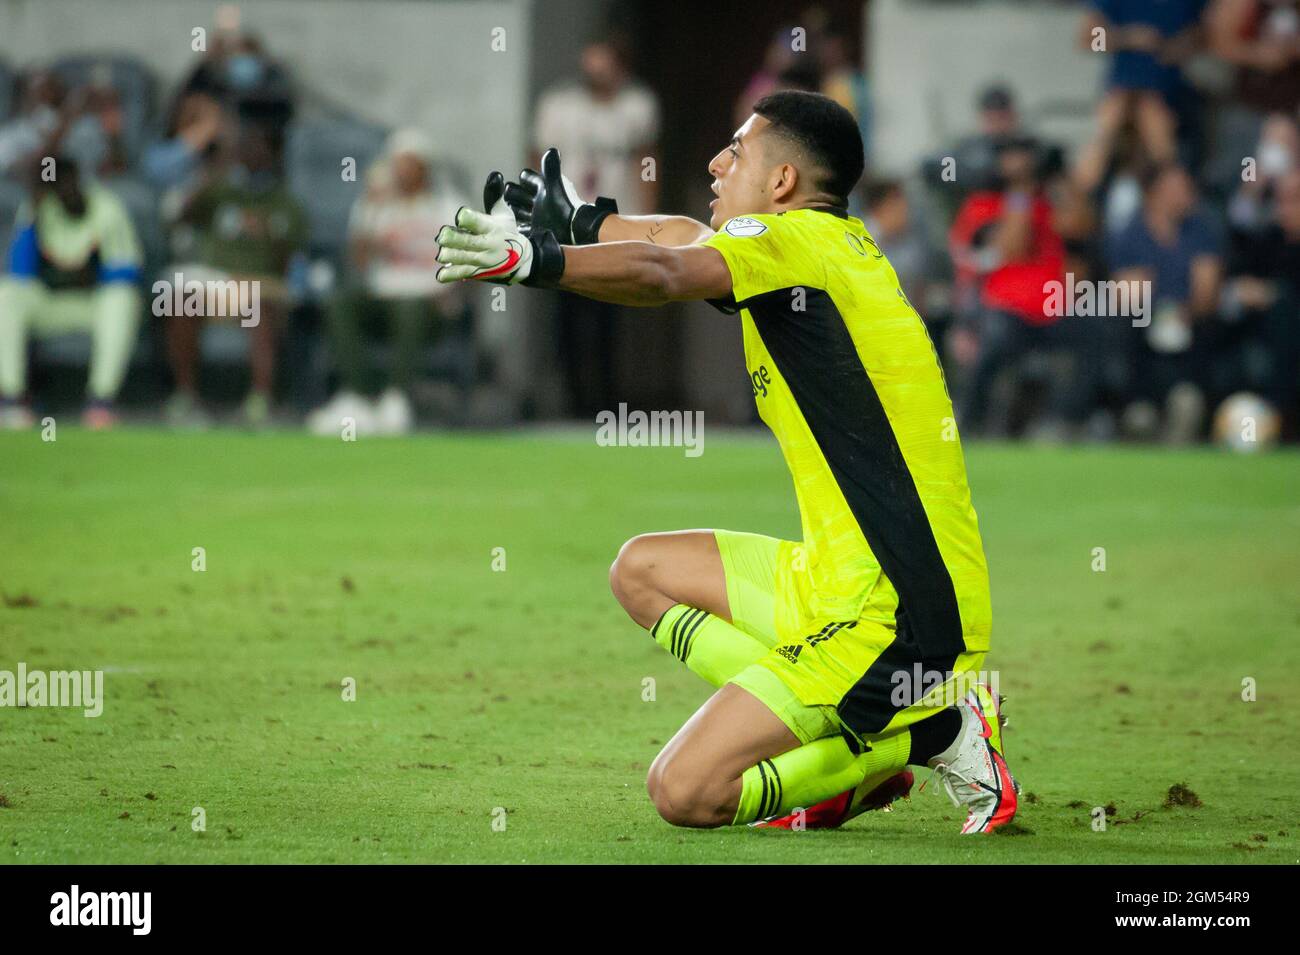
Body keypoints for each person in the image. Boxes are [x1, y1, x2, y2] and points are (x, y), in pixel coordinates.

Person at [436, 91, 1017, 834]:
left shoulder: (794, 247)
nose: (716, 162)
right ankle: (845, 740)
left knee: (686, 791)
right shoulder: (814, 250)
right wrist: (578, 221)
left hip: (897, 611)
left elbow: (662, 271)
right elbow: (677, 238)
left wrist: (535, 261)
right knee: (640, 571)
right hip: (835, 577)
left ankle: (934, 730)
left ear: (781, 185)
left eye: (736, 150)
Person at [306, 130, 467, 435]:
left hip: (429, 303)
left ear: (425, 167)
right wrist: (371, 208)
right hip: (381, 298)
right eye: (397, 164)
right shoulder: (376, 206)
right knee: (339, 302)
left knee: (410, 306)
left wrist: (453, 292)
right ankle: (359, 396)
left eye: (409, 164)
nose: (401, 171)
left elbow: (470, 262)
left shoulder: (449, 207)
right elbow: (360, 262)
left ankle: (397, 398)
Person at [532, 36, 660, 416]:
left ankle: (607, 398)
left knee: (610, 308)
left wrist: (648, 220)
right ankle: (573, 400)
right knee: (566, 308)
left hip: (614, 216)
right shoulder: (559, 106)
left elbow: (647, 161)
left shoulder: (637, 105)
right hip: (565, 215)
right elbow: (537, 156)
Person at [163, 125, 306, 427]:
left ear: (273, 155)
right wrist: (213, 175)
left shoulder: (285, 202)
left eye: (259, 149)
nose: (251, 155)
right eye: (245, 149)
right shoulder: (221, 192)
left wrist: (263, 230)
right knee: (179, 302)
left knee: (259, 308)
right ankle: (186, 397)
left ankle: (259, 400)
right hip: (217, 282)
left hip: (262, 284)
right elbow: (180, 219)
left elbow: (290, 257)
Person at [0, 157, 142, 428]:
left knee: (122, 299)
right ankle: (12, 399)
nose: (65, 189)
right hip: (52, 304)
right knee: (6, 295)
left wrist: (88, 273)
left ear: (79, 179)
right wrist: (35, 219)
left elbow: (127, 270)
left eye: (69, 181)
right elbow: (19, 271)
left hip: (94, 303)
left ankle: (101, 401)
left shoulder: (106, 206)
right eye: (57, 184)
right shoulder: (40, 208)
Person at [1108, 162, 1224, 441]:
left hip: (1189, 316)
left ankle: (1185, 400)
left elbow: (1206, 291)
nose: (1185, 195)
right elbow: (1125, 290)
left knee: (1205, 326)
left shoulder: (1201, 230)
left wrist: (1183, 310)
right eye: (1175, 188)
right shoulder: (1131, 232)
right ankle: (1140, 407)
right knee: (1127, 322)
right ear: (1154, 193)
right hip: (1144, 317)